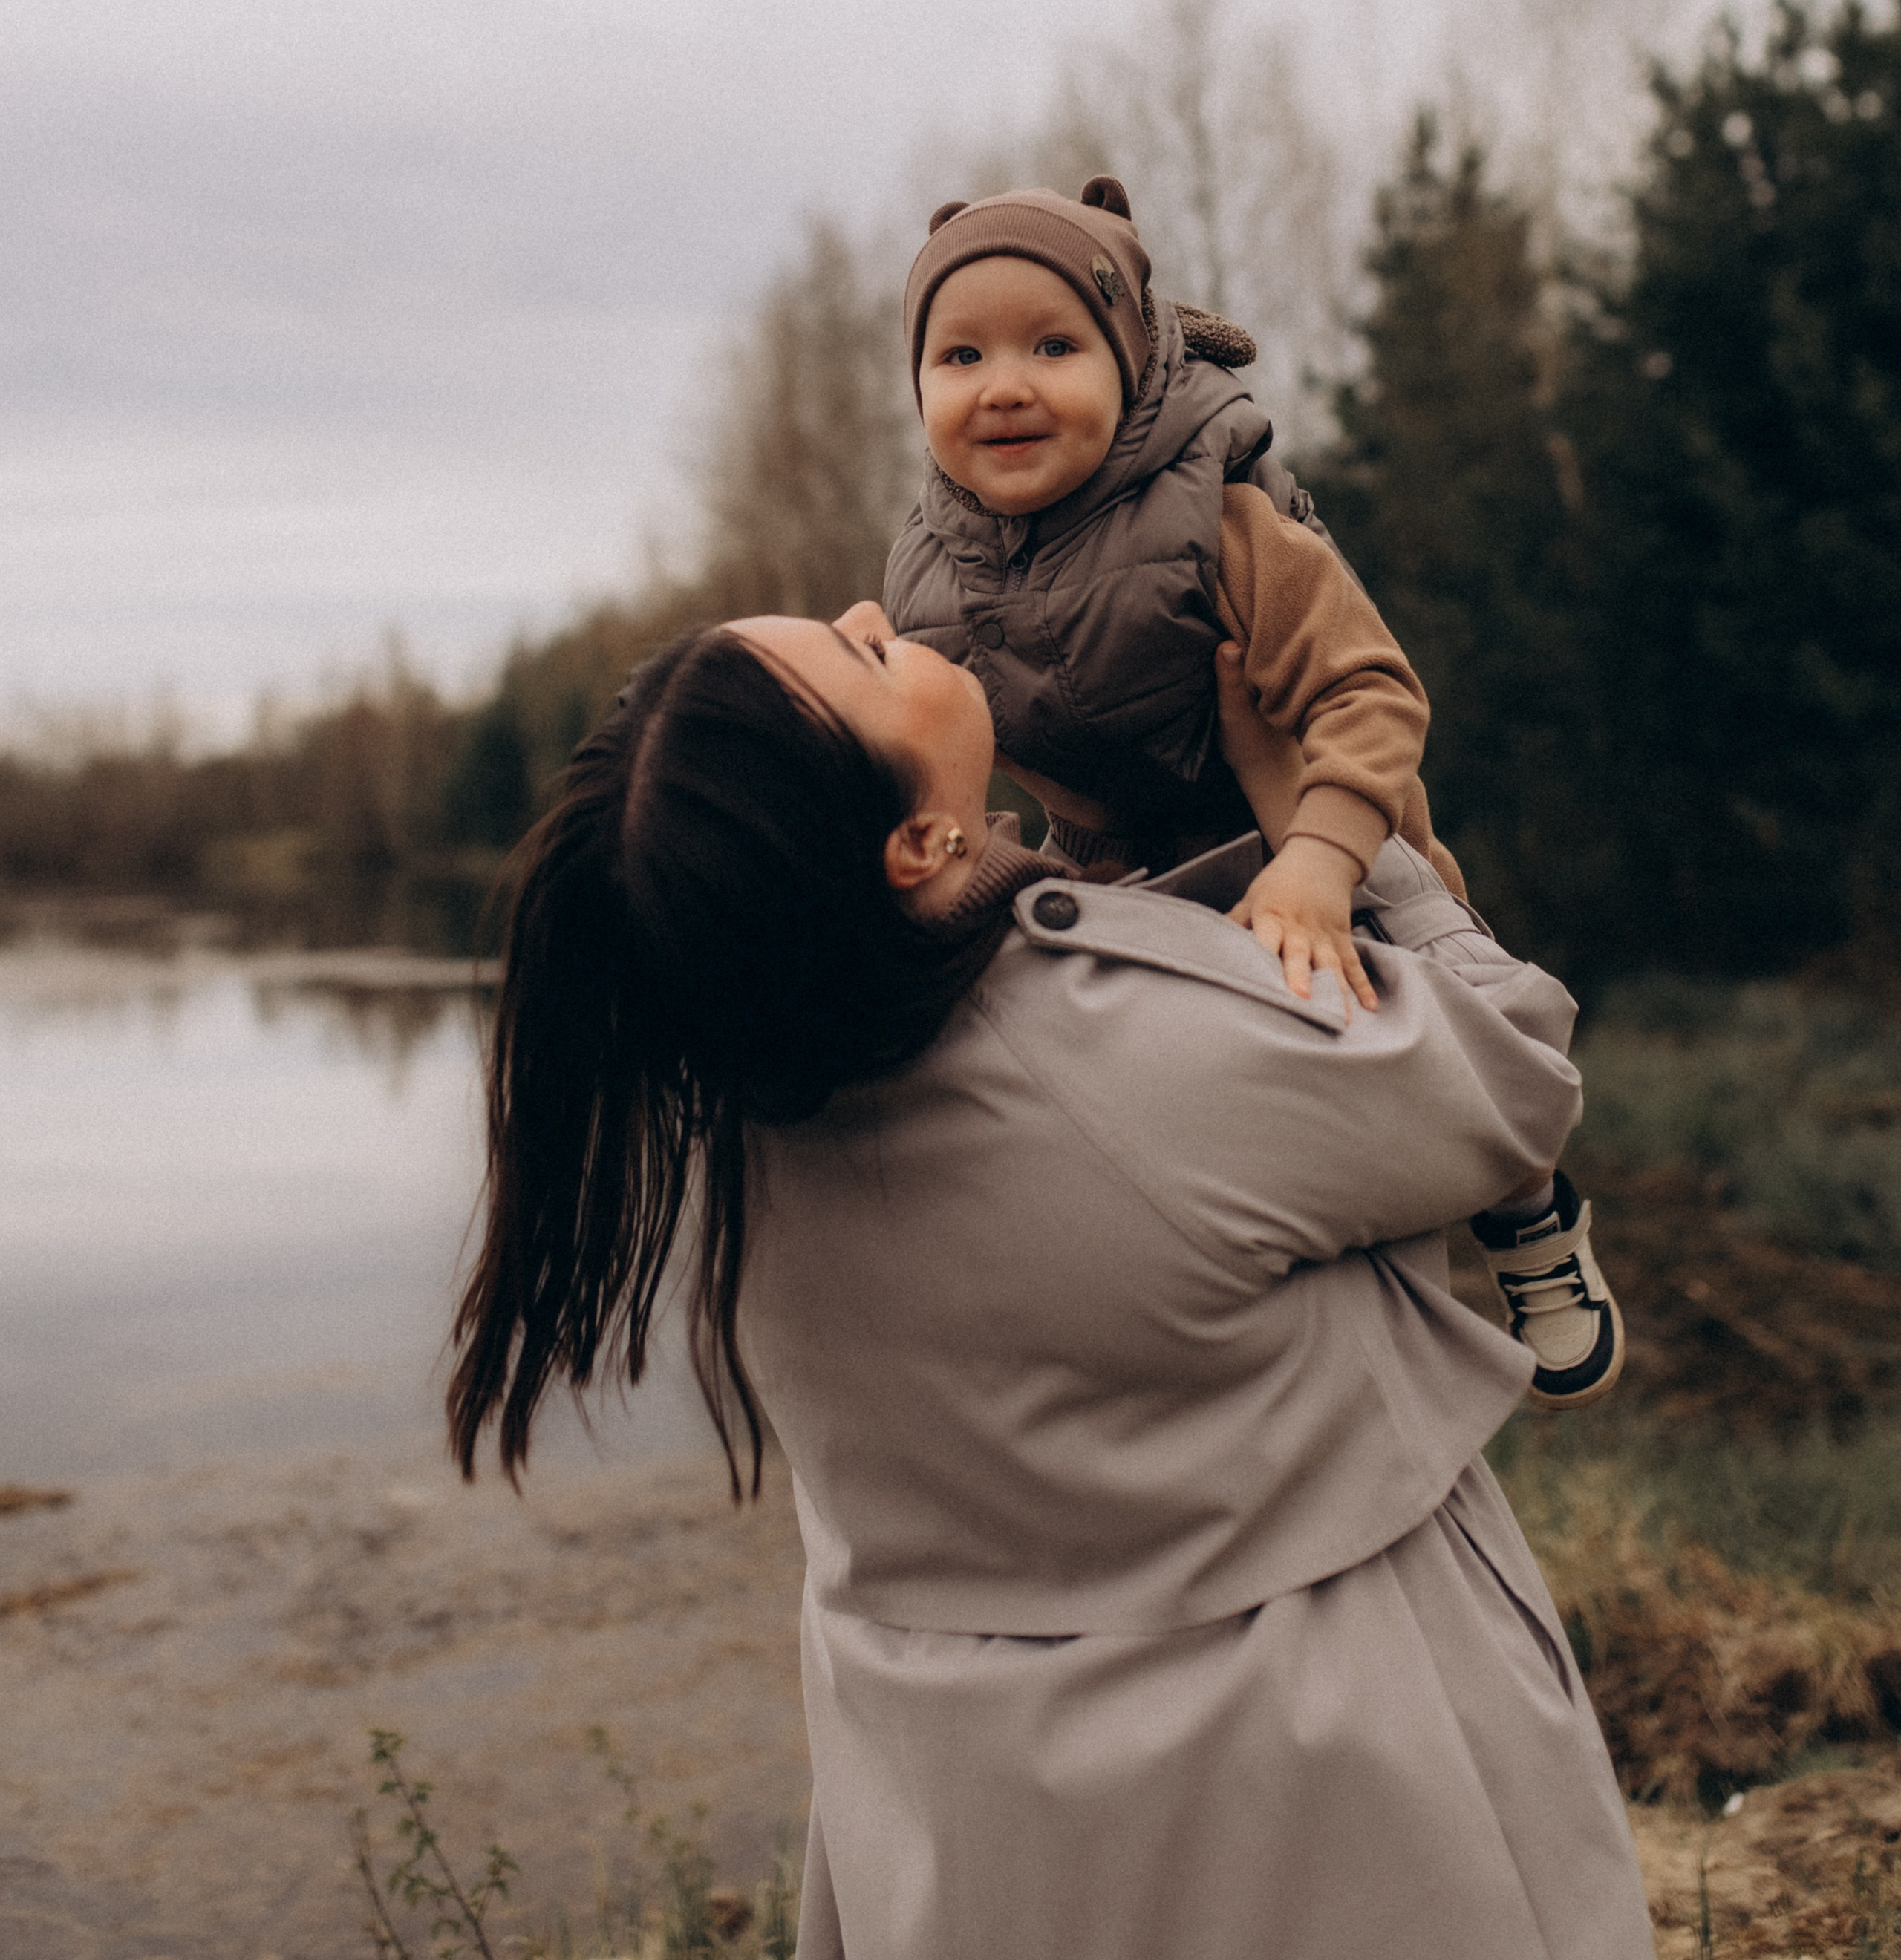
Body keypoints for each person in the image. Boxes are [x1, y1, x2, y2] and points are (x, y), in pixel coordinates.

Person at [446, 606, 1654, 1959]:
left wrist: (1100, 846)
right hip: (1333, 1801)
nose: (868, 612)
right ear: (915, 843)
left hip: (977, 1847)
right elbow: (1512, 1068)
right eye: (858, 658)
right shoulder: (1137, 1069)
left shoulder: (755, 1131)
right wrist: (1347, 845)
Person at [884, 175, 1623, 1405]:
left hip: (1310, 814)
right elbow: (936, 760)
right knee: (1151, 1090)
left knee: (1465, 1016)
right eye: (960, 354)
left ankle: (1531, 1211)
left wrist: (1321, 858)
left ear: (1130, 359)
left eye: (1054, 344)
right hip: (1119, 863)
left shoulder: (1219, 520)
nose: (1004, 383)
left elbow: (1372, 694)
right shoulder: (931, 575)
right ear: (919, 391)